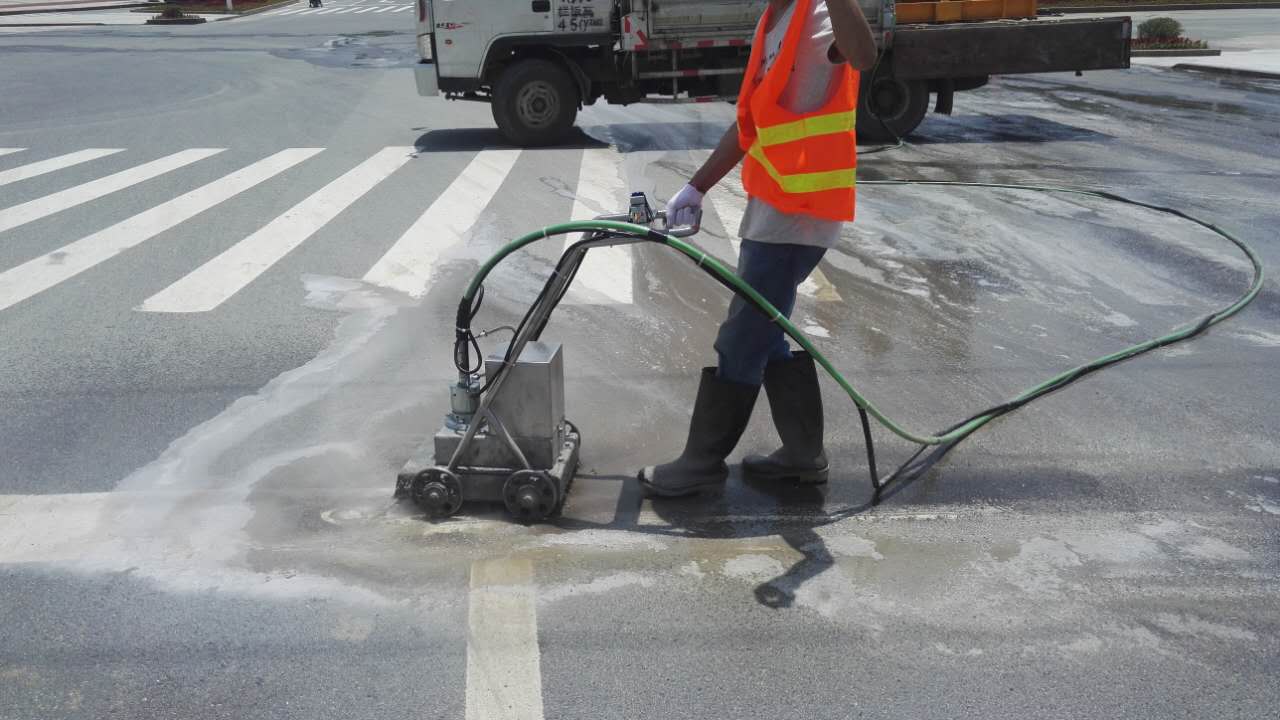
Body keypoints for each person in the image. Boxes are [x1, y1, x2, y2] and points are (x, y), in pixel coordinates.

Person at [639, 0, 877, 497]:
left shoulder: (816, 15)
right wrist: (697, 186)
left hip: (800, 213)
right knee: (766, 333)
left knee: (743, 337)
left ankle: (702, 461)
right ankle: (803, 456)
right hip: (771, 207)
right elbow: (751, 124)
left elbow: (864, 54)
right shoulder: (775, 19)